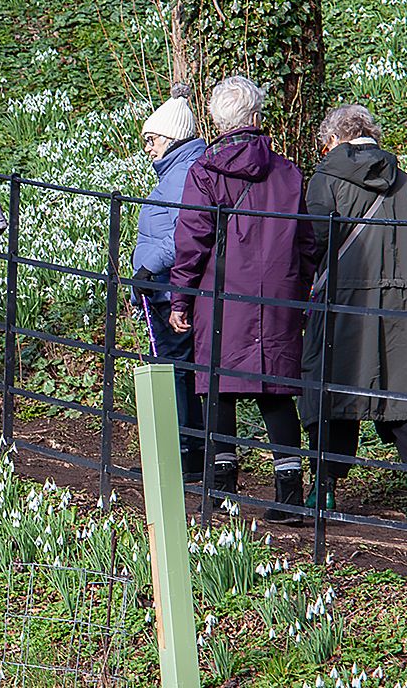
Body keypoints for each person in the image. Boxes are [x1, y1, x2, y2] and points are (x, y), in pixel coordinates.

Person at [167, 76, 324, 524]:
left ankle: (222, 492)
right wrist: (298, 287)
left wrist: (180, 299)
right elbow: (307, 242)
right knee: (275, 391)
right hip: (277, 296)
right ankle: (289, 495)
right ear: (255, 117)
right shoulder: (287, 172)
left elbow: (192, 241)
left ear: (218, 122)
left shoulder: (205, 172)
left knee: (218, 387)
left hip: (221, 295)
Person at [301, 103, 407, 522]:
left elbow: (313, 243)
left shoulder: (325, 179)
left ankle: (324, 488)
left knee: (331, 386)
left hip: (342, 301)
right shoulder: (406, 182)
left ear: (334, 139)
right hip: (406, 304)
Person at [132, 83, 208, 477]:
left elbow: (184, 231)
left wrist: (148, 269)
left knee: (175, 369)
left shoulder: (181, 174)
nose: (148, 148)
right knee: (179, 368)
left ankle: (185, 453)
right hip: (164, 286)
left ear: (172, 138)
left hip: (168, 287)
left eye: (152, 139)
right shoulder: (179, 170)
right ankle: (190, 450)